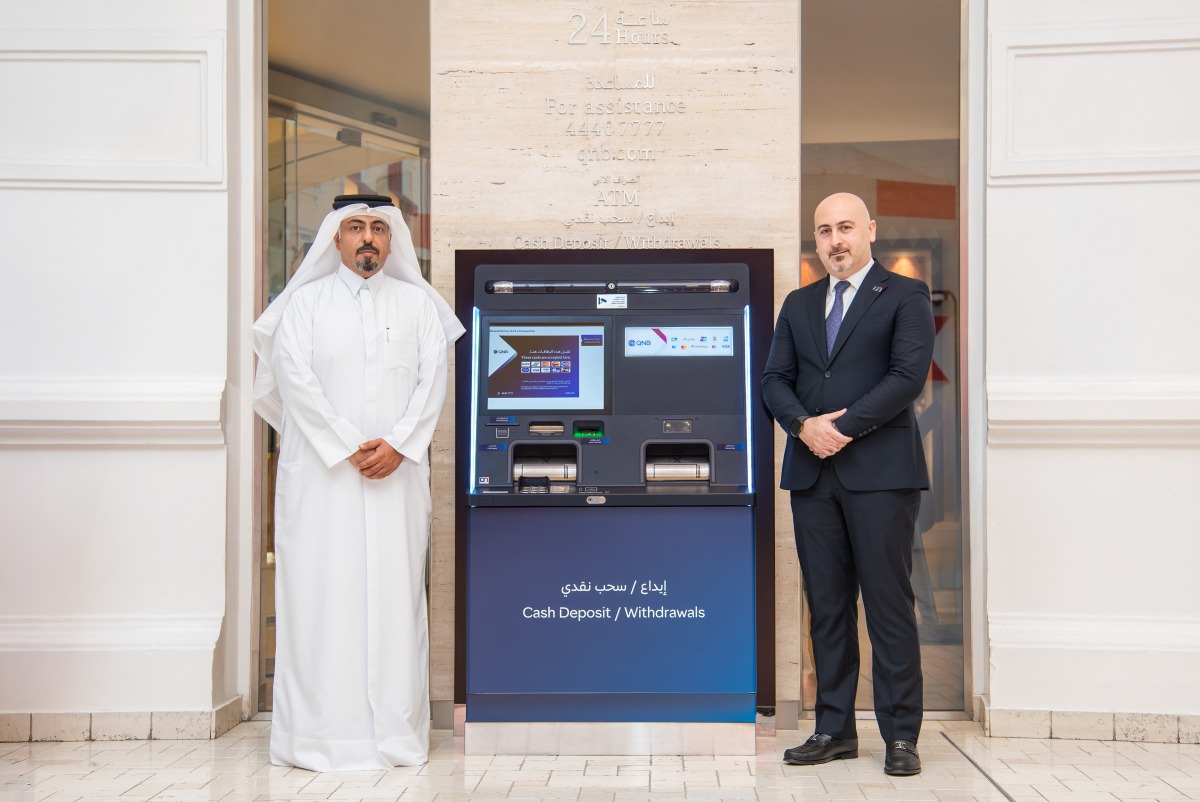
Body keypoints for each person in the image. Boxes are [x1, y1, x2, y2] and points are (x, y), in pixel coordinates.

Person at [251, 194, 465, 771]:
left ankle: (396, 737)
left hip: (397, 478)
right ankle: (317, 740)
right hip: (323, 481)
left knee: (396, 600)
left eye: (378, 228)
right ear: (335, 240)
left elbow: (433, 383)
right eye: (355, 228)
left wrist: (397, 444)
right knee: (321, 598)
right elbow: (294, 381)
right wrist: (349, 443)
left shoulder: (419, 307)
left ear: (392, 240)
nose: (367, 238)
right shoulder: (304, 306)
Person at [762, 192, 934, 776]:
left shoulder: (904, 295)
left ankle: (901, 736)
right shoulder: (800, 302)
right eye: (824, 230)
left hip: (882, 475)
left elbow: (907, 377)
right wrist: (803, 427)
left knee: (888, 606)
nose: (835, 240)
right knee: (828, 608)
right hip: (813, 476)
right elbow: (774, 380)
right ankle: (833, 729)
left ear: (870, 231)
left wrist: (841, 429)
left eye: (845, 228)